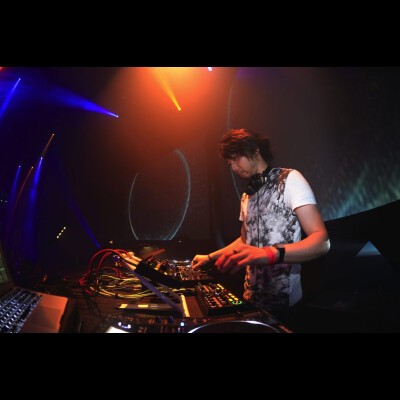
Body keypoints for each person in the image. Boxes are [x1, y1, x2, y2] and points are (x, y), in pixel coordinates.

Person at [192, 128, 330, 325]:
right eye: (229, 163)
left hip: (285, 307)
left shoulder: (290, 179)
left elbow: (321, 242)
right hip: (251, 302)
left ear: (255, 150)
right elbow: (244, 240)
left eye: (236, 158)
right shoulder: (246, 196)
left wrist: (269, 254)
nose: (234, 168)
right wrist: (210, 257)